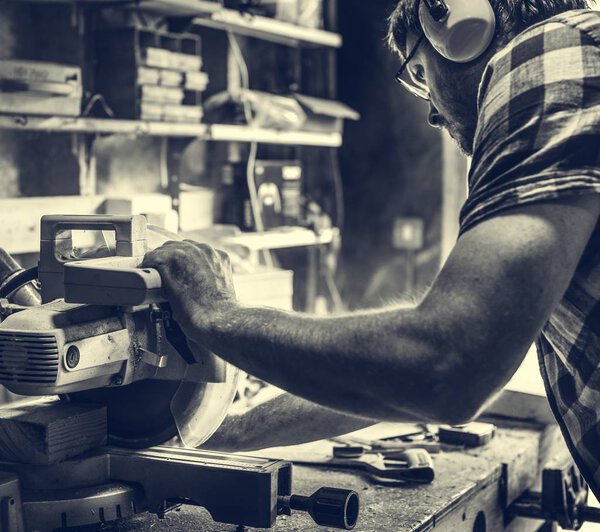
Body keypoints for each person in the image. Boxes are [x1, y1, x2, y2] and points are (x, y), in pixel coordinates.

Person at [142, 0, 600, 498]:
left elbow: (445, 363)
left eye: (420, 73)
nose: (429, 111)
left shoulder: (550, 55)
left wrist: (214, 315)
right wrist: (225, 430)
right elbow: (410, 365)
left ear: (456, 23)